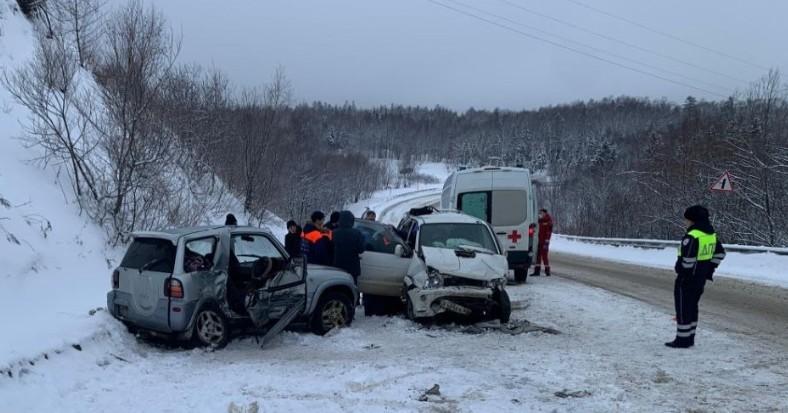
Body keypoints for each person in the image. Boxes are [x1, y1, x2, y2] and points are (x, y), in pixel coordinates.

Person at [666, 205, 726, 349]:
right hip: (700, 278)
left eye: (686, 219)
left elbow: (688, 261)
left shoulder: (692, 236)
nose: (685, 222)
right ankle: (690, 337)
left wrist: (680, 269)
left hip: (687, 279)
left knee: (683, 308)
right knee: (692, 307)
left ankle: (682, 340)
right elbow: (720, 254)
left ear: (693, 220)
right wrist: (709, 269)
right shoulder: (710, 235)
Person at [332, 210, 365, 283]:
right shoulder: (357, 233)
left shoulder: (334, 232)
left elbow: (330, 248)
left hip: (338, 265)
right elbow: (361, 249)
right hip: (352, 266)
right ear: (351, 220)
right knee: (352, 287)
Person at [531, 208, 553, 277]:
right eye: (540, 213)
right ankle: (537, 271)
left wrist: (546, 242)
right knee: (538, 256)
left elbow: (548, 233)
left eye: (542, 213)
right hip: (539, 241)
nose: (541, 214)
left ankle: (547, 271)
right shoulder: (540, 221)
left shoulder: (548, 221)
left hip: (544, 242)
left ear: (545, 213)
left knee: (544, 256)